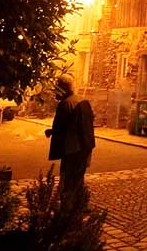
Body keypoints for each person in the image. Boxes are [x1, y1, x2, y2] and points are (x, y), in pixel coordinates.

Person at [44, 74, 95, 204]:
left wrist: (53, 132)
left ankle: (68, 208)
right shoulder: (83, 101)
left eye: (56, 88)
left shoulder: (65, 104)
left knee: (69, 179)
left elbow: (62, 127)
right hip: (85, 146)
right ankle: (79, 205)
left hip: (72, 149)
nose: (55, 92)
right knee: (78, 178)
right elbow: (85, 124)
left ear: (62, 89)